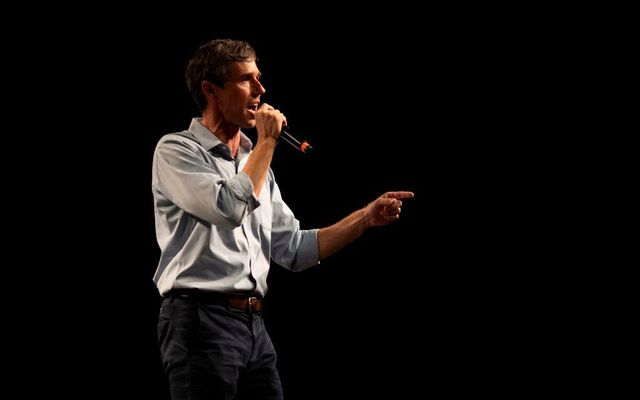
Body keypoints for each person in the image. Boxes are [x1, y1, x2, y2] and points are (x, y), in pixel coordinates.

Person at [152, 38, 414, 400]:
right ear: (211, 90)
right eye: (246, 80)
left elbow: (294, 249)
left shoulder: (255, 164)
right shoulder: (177, 150)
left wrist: (365, 219)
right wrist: (267, 143)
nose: (261, 89)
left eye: (259, 78)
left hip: (254, 326)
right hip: (199, 322)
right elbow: (228, 208)